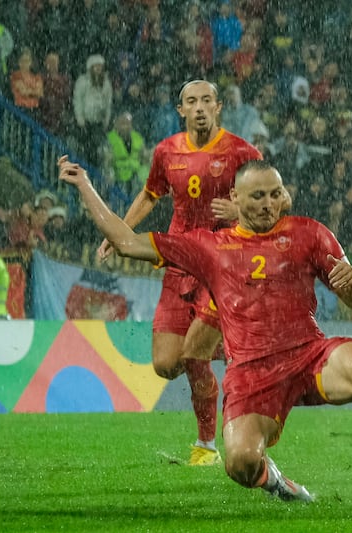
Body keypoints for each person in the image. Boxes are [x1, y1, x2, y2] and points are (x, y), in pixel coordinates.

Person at [61, 157, 352, 505]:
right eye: (257, 196)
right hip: (252, 375)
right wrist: (85, 186)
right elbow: (126, 242)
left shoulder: (310, 234)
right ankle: (276, 481)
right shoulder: (209, 246)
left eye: (275, 193)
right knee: (240, 464)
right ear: (235, 198)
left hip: (309, 356)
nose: (269, 204)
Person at [96, 79, 258, 467]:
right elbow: (151, 195)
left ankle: (206, 445)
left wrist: (240, 213)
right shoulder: (166, 151)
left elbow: (277, 197)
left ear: (219, 107)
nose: (199, 107)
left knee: (194, 355)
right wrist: (120, 233)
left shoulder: (241, 151)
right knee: (167, 364)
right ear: (180, 109)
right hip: (178, 263)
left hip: (220, 267)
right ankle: (235, 347)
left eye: (206, 100)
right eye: (191, 101)